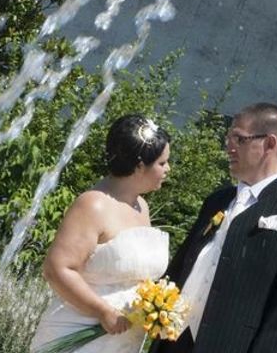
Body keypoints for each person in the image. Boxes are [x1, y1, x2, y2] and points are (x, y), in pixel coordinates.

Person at [150, 103, 277, 353]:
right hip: (172, 342)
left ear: (269, 144)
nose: (229, 146)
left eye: (239, 138)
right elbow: (182, 266)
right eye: (229, 137)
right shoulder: (217, 200)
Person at [30, 114, 171, 353]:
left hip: (123, 340)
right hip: (80, 333)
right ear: (139, 166)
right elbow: (57, 269)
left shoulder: (142, 206)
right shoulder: (93, 204)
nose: (168, 169)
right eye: (162, 163)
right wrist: (102, 311)